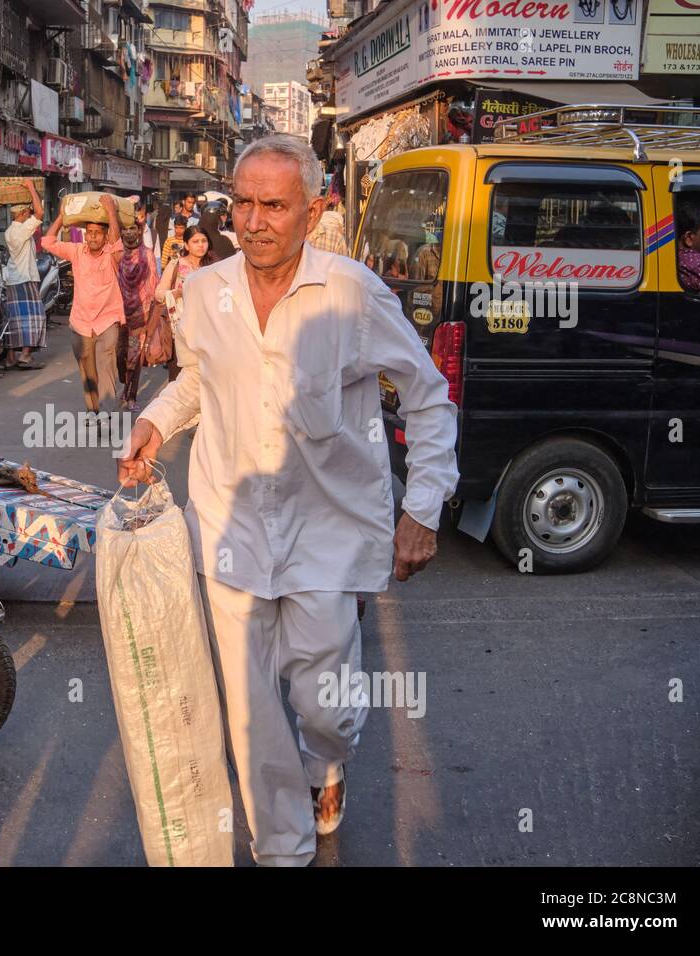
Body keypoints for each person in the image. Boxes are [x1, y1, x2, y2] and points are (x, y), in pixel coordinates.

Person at [119, 134, 458, 867]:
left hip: (328, 534)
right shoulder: (207, 294)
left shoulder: (352, 294)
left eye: (274, 205)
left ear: (312, 209)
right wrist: (157, 421)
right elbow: (200, 382)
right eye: (244, 202)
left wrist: (422, 509)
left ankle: (327, 766)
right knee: (250, 715)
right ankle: (285, 850)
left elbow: (429, 396)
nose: (255, 220)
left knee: (326, 708)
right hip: (230, 528)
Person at [41, 195, 125, 423]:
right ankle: (92, 411)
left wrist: (110, 211)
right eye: (90, 232)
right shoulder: (77, 251)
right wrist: (62, 217)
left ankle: (107, 414)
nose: (93, 236)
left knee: (105, 365)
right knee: (86, 369)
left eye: (98, 232)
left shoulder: (112, 254)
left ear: (105, 234)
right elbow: (47, 242)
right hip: (81, 321)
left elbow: (117, 243)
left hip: (107, 320)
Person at [2, 180, 47, 371]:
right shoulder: (21, 229)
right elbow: (40, 213)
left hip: (13, 278)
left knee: (14, 318)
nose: (29, 214)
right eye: (27, 212)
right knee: (33, 317)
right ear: (21, 214)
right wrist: (30, 187)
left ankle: (11, 357)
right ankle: (26, 355)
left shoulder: (9, 231)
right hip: (25, 278)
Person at [115, 226, 159, 411]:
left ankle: (131, 395)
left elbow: (153, 283)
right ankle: (124, 385)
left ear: (140, 232)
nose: (129, 233)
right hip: (118, 311)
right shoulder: (116, 254)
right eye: (125, 229)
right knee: (120, 354)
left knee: (135, 353)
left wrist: (151, 314)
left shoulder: (147, 254)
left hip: (141, 311)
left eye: (133, 229)